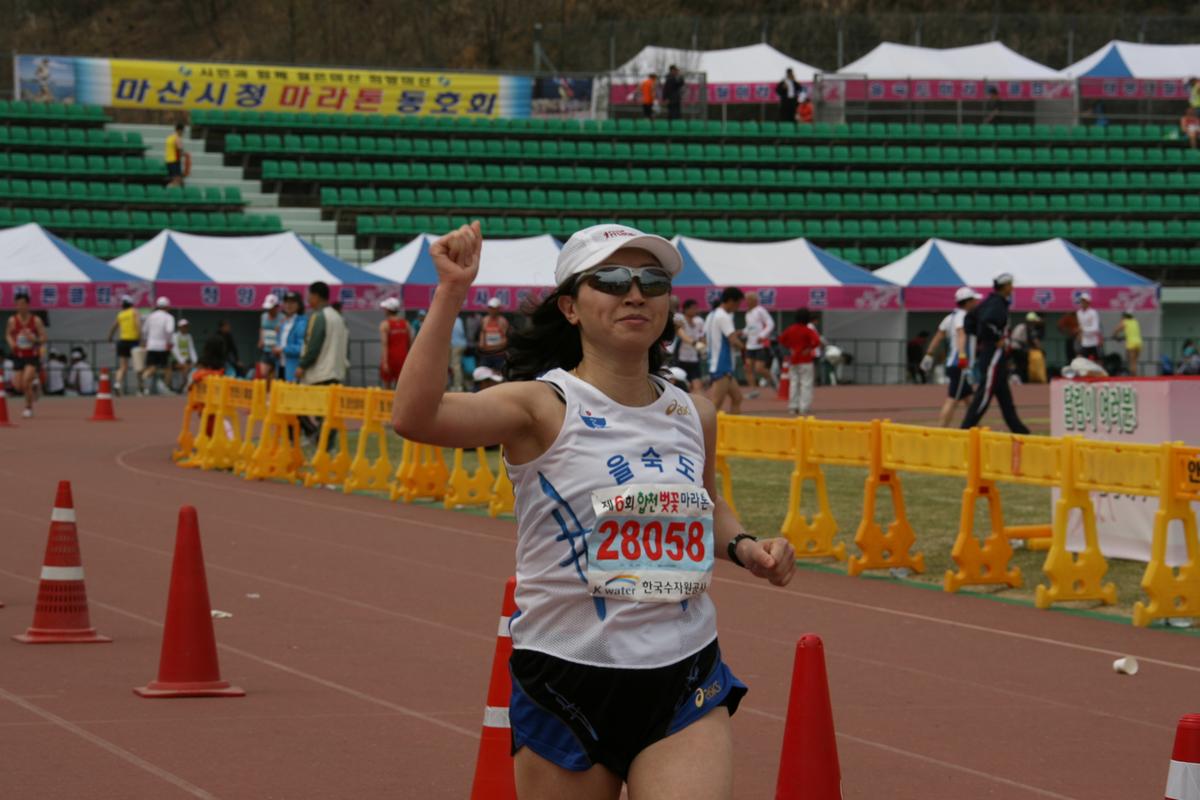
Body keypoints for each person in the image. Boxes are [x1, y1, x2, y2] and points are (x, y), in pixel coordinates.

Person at [391, 221, 794, 798]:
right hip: (567, 678)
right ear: (571, 307)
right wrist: (451, 292)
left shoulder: (694, 413)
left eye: (652, 281)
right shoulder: (540, 406)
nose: (635, 293)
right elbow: (415, 416)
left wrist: (746, 546)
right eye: (611, 279)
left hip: (683, 672)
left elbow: (705, 505)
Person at [960, 274, 1029, 434]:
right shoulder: (997, 303)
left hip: (993, 352)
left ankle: (1020, 431)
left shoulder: (990, 301)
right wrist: (995, 338)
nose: (1012, 288)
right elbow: (986, 321)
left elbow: (970, 320)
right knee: (984, 394)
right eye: (1010, 285)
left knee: (1005, 398)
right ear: (1005, 286)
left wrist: (980, 336)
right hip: (993, 353)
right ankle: (965, 429)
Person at [296, 281, 349, 441]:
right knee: (329, 413)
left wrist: (302, 365)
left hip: (320, 372)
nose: (308, 299)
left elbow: (313, 345)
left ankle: (317, 438)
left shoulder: (318, 317)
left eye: (309, 296)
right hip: (336, 371)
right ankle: (325, 444)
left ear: (316, 296)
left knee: (299, 406)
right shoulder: (338, 317)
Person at [920, 287, 980, 428]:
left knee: (969, 400)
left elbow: (939, 335)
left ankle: (978, 430)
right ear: (967, 302)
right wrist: (962, 356)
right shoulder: (963, 317)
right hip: (960, 365)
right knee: (952, 399)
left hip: (955, 364)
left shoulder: (950, 317)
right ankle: (941, 430)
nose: (976, 302)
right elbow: (961, 334)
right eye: (974, 300)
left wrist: (928, 355)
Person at [706, 287, 746, 415]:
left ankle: (734, 429)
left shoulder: (712, 314)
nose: (738, 307)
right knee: (715, 403)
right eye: (738, 303)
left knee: (737, 398)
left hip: (720, 363)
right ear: (730, 301)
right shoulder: (723, 316)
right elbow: (733, 340)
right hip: (722, 364)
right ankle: (704, 433)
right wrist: (745, 348)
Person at [5, 291, 45, 417]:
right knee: (18, 385)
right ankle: (34, 387)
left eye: (23, 304)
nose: (20, 307)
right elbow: (8, 334)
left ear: (28, 305)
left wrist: (35, 340)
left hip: (32, 355)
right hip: (18, 355)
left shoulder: (36, 320)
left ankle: (28, 408)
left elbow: (44, 337)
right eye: (17, 304)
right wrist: (11, 342)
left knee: (26, 381)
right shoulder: (12, 320)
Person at [778, 308, 821, 416]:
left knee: (793, 383)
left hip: (794, 359)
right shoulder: (807, 330)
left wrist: (790, 347)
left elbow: (782, 339)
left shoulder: (790, 329)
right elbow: (816, 341)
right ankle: (804, 407)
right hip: (806, 360)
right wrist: (809, 348)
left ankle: (793, 406)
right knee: (806, 384)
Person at [741, 291, 776, 396]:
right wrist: (742, 332)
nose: (747, 302)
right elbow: (749, 328)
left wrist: (762, 336)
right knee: (747, 368)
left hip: (760, 345)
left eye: (749, 299)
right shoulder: (748, 313)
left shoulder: (760, 310)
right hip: (750, 345)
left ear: (755, 300)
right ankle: (754, 391)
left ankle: (773, 380)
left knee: (759, 369)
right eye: (746, 299)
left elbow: (770, 323)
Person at [140, 296, 175, 395]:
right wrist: (169, 342)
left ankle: (143, 384)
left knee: (152, 367)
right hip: (163, 346)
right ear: (167, 306)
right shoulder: (169, 317)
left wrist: (146, 341)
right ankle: (166, 388)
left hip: (151, 345)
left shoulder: (151, 316)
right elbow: (170, 331)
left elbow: (144, 330)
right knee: (167, 368)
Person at [108, 294, 140, 395]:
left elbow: (114, 327)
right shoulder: (134, 312)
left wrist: (110, 337)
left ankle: (117, 384)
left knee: (123, 367)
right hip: (133, 341)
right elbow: (138, 325)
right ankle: (140, 389)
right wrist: (141, 338)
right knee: (138, 366)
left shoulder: (121, 314)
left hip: (122, 342)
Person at [672, 298, 706, 393]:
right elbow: (681, 334)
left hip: (694, 359)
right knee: (682, 388)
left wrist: (703, 348)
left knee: (698, 386)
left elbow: (702, 337)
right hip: (681, 359)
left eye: (696, 308)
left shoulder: (699, 321)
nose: (695, 310)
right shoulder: (680, 319)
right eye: (693, 308)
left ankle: (700, 407)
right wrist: (695, 343)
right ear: (686, 309)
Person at [379, 297, 411, 388]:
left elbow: (384, 344)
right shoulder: (406, 324)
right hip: (403, 358)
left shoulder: (385, 324)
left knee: (387, 387)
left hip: (390, 358)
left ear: (388, 310)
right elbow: (410, 344)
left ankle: (389, 402)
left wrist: (385, 362)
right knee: (401, 387)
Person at [277, 290, 307, 382]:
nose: (288, 305)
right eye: (286, 302)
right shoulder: (283, 322)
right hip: (281, 366)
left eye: (292, 302)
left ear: (299, 305)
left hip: (294, 368)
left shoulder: (302, 323)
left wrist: (283, 349)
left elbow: (302, 348)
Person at [477, 297, 510, 371]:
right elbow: (482, 334)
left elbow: (506, 340)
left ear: (498, 309)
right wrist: (481, 344)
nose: (491, 310)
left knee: (499, 376)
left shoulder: (503, 321)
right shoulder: (485, 320)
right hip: (486, 354)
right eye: (490, 308)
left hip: (498, 355)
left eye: (493, 308)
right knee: (484, 373)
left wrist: (493, 347)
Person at [1009, 312, 1041, 383]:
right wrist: (1040, 348)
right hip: (1018, 348)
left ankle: (1017, 378)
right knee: (1022, 365)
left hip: (1013, 347)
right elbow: (1034, 341)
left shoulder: (1021, 326)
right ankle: (1022, 380)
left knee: (1016, 364)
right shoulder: (1027, 327)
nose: (1035, 323)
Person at [257, 294, 283, 384]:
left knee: (275, 375)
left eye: (272, 308)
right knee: (263, 372)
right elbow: (262, 328)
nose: (269, 310)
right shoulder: (263, 316)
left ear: (277, 307)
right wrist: (261, 340)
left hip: (277, 351)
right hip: (266, 349)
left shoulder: (282, 318)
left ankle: (272, 393)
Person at [171, 318, 197, 391]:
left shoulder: (189, 336)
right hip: (176, 360)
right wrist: (182, 361)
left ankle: (184, 386)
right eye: (184, 326)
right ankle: (182, 387)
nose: (185, 328)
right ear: (179, 327)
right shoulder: (175, 336)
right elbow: (175, 350)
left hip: (186, 360)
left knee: (193, 368)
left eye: (186, 326)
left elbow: (191, 349)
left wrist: (195, 361)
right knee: (185, 368)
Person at [1112, 311, 1142, 376]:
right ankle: (1135, 376)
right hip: (1139, 343)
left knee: (1131, 362)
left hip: (1131, 343)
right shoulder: (1135, 321)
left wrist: (1116, 337)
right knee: (1134, 362)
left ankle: (1133, 378)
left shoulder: (1125, 322)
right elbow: (1132, 333)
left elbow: (1115, 331)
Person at [1075, 292, 1102, 361]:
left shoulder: (1093, 312)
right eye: (1081, 301)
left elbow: (1095, 328)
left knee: (1096, 362)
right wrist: (1079, 335)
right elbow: (1080, 325)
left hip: (1093, 342)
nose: (1082, 303)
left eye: (1084, 301)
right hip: (1085, 342)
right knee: (1080, 360)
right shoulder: (1079, 313)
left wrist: (1083, 329)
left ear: (1088, 302)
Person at [449, 313, 467, 391]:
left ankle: (458, 386)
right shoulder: (458, 319)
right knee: (457, 365)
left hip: (456, 345)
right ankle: (459, 384)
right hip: (461, 344)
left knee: (455, 366)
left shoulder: (450, 319)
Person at [165, 122, 186, 188]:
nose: (183, 133)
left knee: (174, 178)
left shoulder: (169, 137)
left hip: (169, 160)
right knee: (176, 179)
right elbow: (180, 149)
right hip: (175, 161)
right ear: (180, 130)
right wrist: (184, 154)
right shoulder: (177, 138)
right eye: (183, 131)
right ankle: (171, 190)